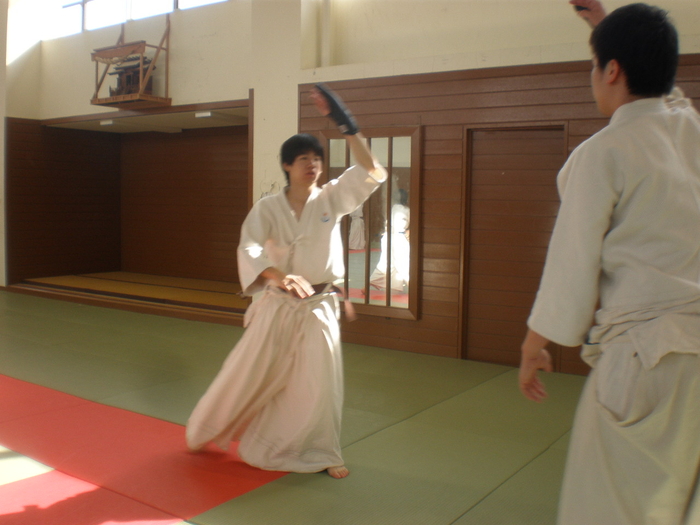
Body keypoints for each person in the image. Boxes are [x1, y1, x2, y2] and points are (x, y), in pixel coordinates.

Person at [519, 1, 700, 523]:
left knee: (606, 508)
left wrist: (534, 343)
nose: (592, 76)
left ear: (612, 70)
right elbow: (670, 98)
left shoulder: (602, 152)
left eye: (595, 64)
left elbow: (571, 262)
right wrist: (609, 29)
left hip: (644, 360)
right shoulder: (690, 131)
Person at [186, 84, 387, 479]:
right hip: (277, 305)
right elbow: (249, 247)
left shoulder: (330, 199)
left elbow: (370, 170)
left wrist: (346, 124)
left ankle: (321, 452)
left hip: (319, 306)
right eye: (302, 159)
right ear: (286, 166)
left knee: (319, 384)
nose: (312, 164)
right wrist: (278, 275)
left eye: (316, 158)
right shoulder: (268, 208)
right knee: (247, 373)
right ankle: (204, 429)